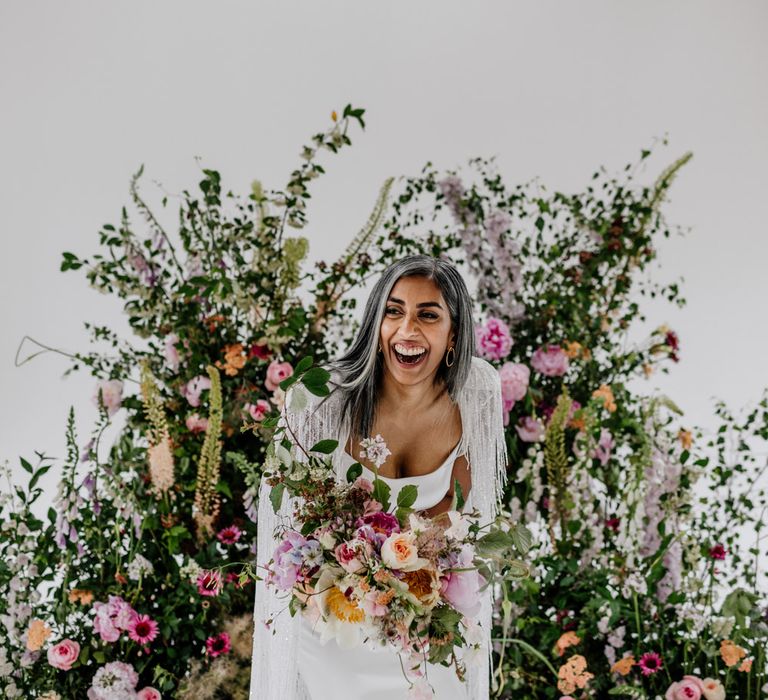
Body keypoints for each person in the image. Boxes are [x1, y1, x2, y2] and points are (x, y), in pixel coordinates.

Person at [250, 255, 507, 699]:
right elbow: (285, 536)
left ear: (454, 335)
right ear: (375, 323)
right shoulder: (320, 400)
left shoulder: (476, 393)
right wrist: (353, 580)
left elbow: (466, 525)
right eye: (393, 311)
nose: (407, 330)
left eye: (428, 315)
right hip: (335, 621)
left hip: (422, 623)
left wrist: (413, 593)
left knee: (451, 666)